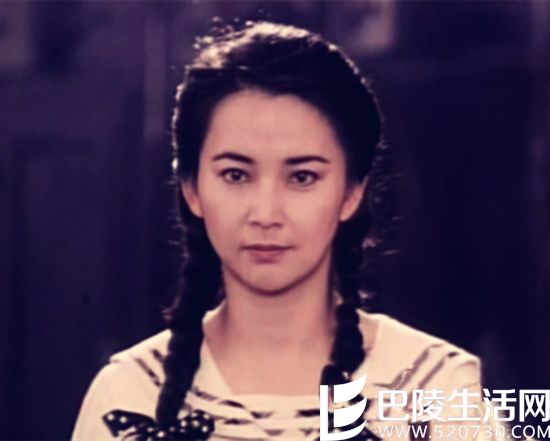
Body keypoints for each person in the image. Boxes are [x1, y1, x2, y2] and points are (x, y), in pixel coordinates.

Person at [72, 21, 491, 441]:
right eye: (236, 175)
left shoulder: (436, 387)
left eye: (302, 177)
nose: (266, 213)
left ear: (351, 193)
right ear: (192, 190)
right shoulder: (128, 395)